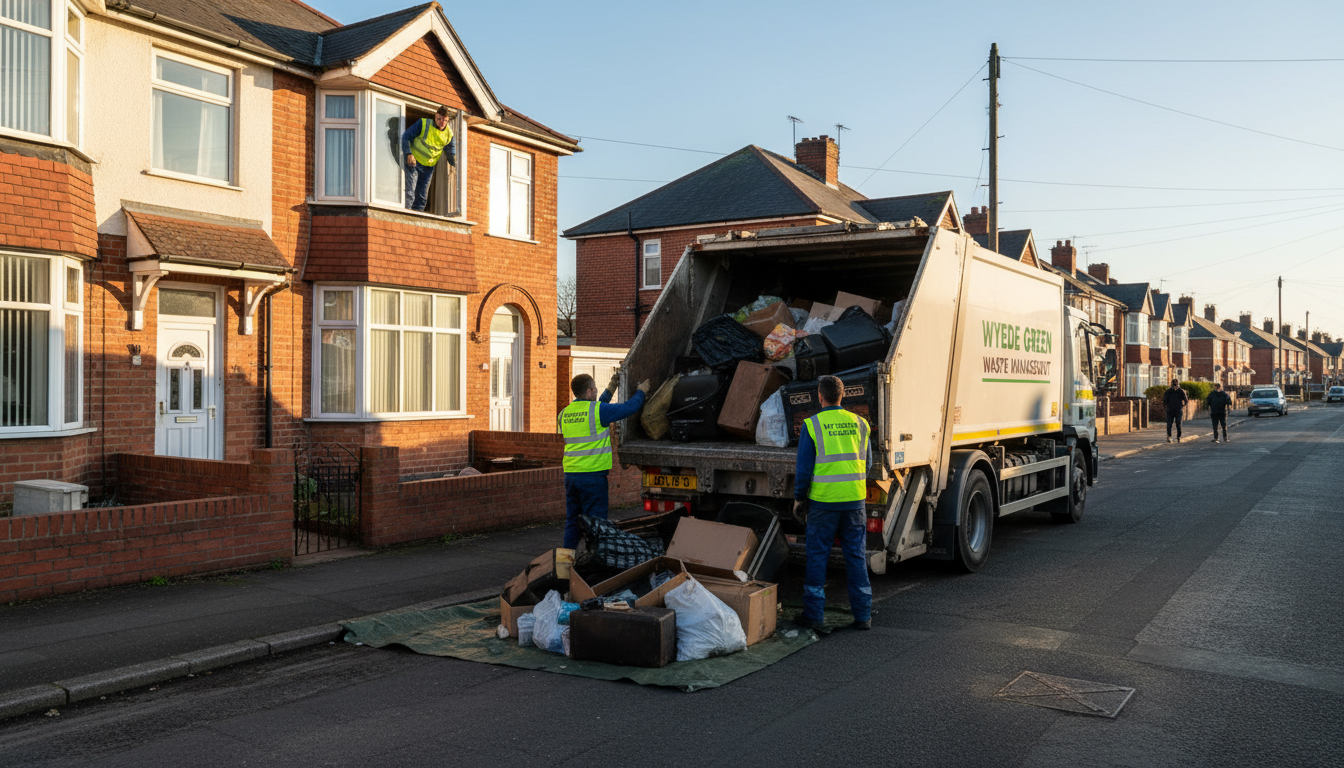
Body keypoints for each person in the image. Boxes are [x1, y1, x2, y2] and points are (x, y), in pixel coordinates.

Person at [793, 375, 873, 633]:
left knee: (817, 559)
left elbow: (804, 469)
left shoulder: (813, 425)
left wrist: (799, 498)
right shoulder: (860, 424)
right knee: (856, 558)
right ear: (843, 395)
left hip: (824, 504)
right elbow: (867, 463)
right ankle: (863, 616)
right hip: (854, 503)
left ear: (820, 395)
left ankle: (814, 616)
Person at [558, 371, 649, 549]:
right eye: (595, 389)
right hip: (593, 476)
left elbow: (595, 410)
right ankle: (596, 562)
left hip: (571, 476)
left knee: (572, 521)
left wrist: (610, 388)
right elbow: (629, 408)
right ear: (590, 391)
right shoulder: (598, 411)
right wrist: (641, 392)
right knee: (597, 523)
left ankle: (565, 564)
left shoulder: (564, 413)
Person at [401, 106, 455, 212]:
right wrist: (408, 153)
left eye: (444, 120)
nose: (441, 122)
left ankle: (416, 219)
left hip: (428, 167)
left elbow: (451, 153)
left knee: (422, 197)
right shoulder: (424, 124)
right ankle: (405, 214)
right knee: (410, 193)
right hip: (414, 162)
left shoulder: (449, 134)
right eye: (439, 119)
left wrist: (457, 164)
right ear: (435, 116)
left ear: (448, 120)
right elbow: (406, 137)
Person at [1163, 378, 1189, 443]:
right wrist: (1166, 407)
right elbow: (1164, 400)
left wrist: (1182, 406)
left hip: (1178, 410)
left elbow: (1186, 400)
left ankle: (1178, 437)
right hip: (1170, 410)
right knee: (1169, 424)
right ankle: (1169, 436)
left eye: (1176, 384)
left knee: (1178, 423)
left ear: (1178, 384)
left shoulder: (1181, 391)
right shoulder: (1168, 391)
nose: (1175, 386)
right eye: (1174, 384)